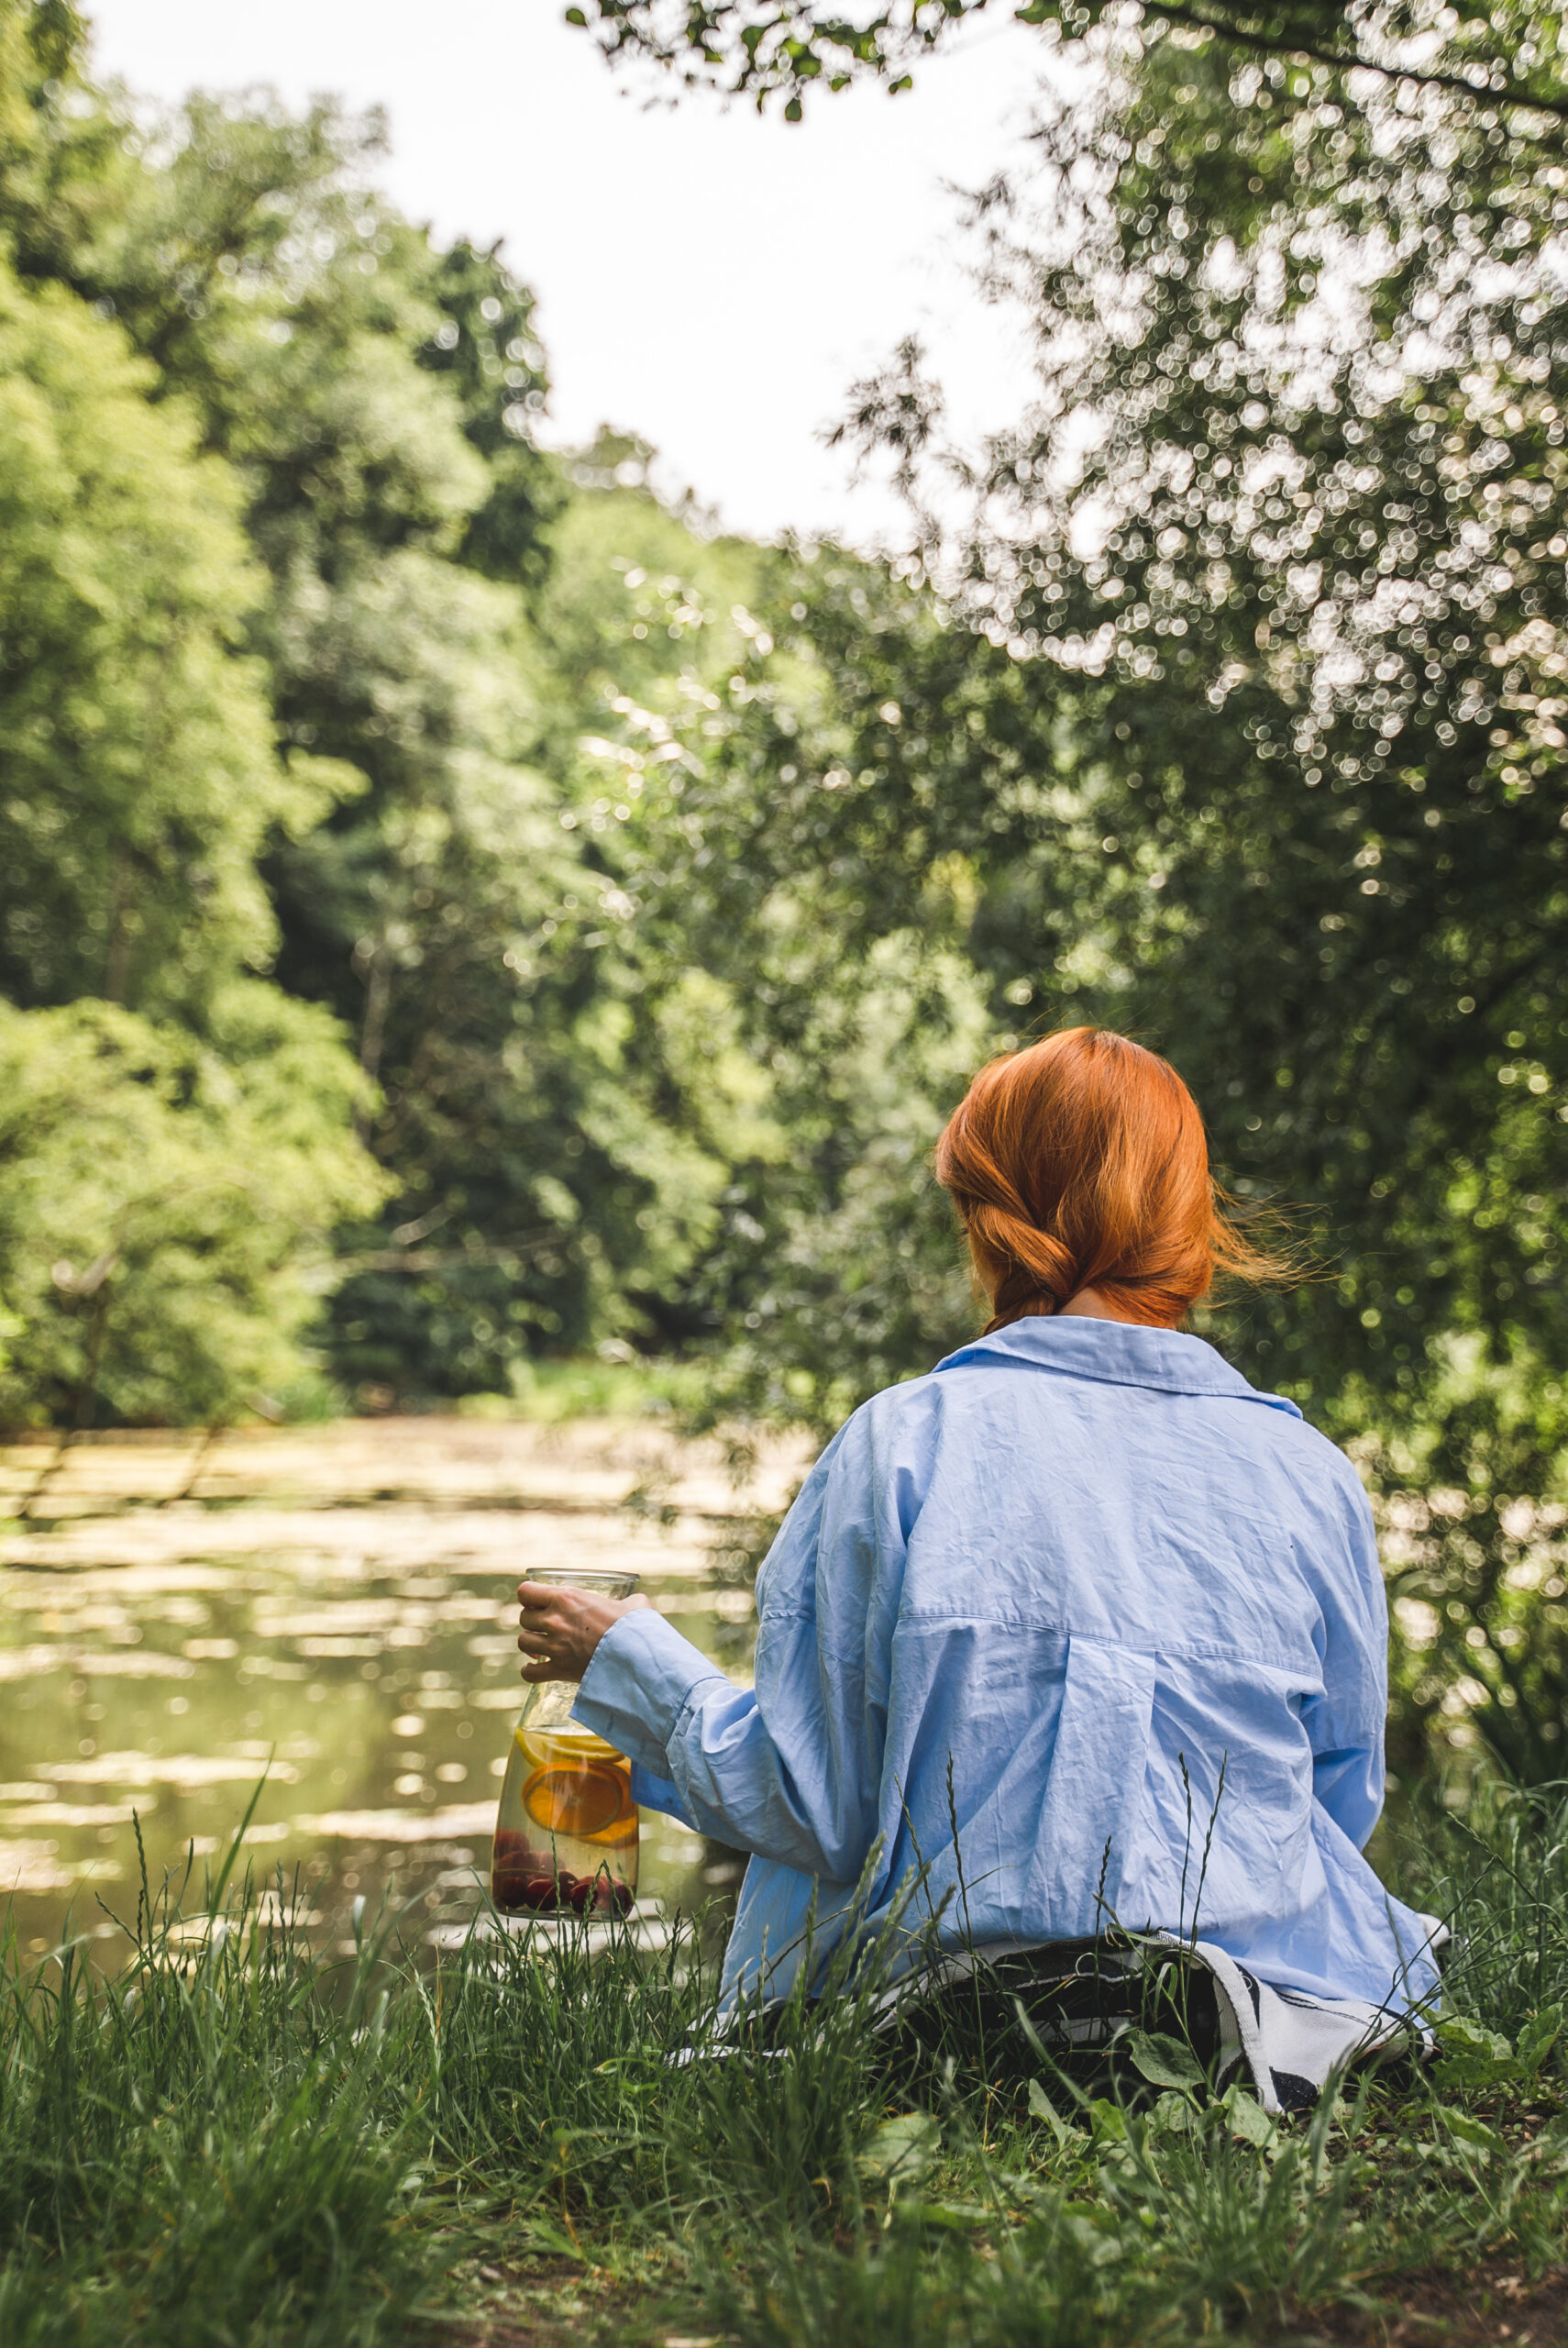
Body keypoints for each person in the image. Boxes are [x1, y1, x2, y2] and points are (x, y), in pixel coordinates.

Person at [517, 1027, 1441, 2038]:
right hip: (1270, 2015)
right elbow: (1337, 1803)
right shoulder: (1310, 1473)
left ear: (993, 1218)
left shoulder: (903, 1443)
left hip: (964, 2020)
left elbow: (808, 1805)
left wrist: (630, 1665)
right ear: (1189, 1217)